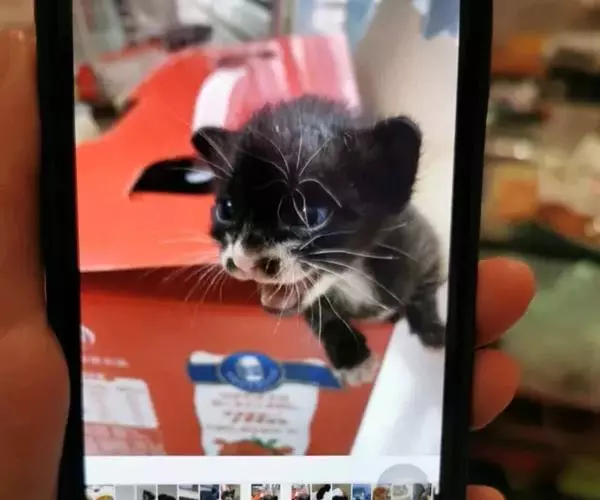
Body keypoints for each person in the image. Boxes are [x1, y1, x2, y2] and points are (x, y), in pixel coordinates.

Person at [0, 29, 535, 500]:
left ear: (387, 185)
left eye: (308, 212)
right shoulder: (304, 271)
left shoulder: (411, 247)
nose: (248, 257)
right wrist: (340, 339)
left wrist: (424, 316)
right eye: (229, 210)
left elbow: (430, 270)